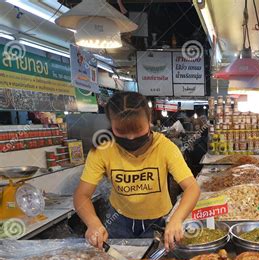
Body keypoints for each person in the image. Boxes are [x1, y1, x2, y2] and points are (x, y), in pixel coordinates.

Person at [73, 91, 201, 250]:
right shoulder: (103, 149)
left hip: (158, 221)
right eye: (122, 131)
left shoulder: (164, 147)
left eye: (138, 129)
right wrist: (92, 223)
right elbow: (82, 195)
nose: (131, 138)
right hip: (118, 221)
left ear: (149, 120)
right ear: (111, 124)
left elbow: (192, 187)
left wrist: (177, 219)